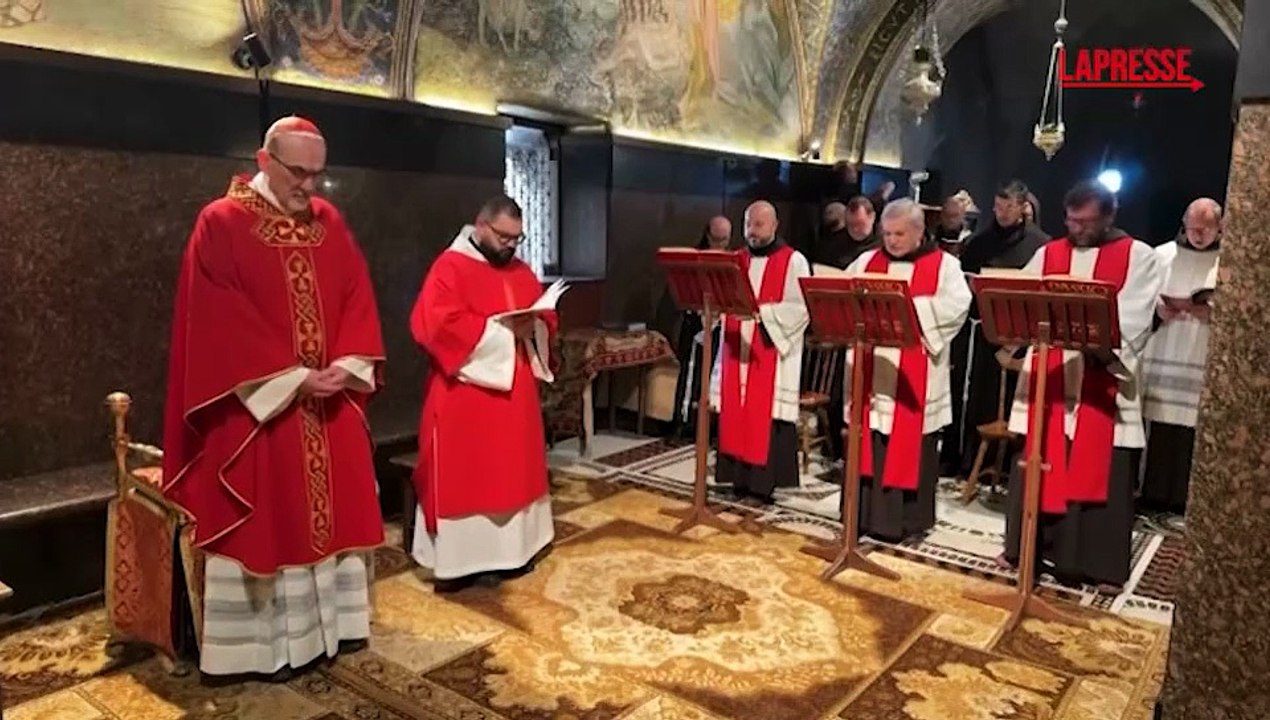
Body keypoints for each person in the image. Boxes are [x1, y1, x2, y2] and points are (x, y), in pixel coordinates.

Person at [161, 115, 386, 679]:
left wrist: (346, 364)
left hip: (326, 406)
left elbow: (357, 291)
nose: (309, 186)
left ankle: (332, 632)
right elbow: (218, 319)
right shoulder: (222, 222)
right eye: (298, 172)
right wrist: (290, 378)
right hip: (259, 410)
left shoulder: (329, 221)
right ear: (264, 160)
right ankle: (259, 652)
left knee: (331, 516)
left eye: (318, 174)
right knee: (266, 519)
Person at [1000, 180, 1164, 591]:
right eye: (1072, 221)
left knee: (1101, 466)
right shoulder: (1049, 253)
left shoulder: (1137, 256)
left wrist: (1088, 337)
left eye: (1087, 222)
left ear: (1110, 216)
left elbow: (1132, 316)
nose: (1077, 230)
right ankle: (1028, 552)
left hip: (1100, 379)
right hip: (1050, 378)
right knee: (1039, 457)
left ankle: (1096, 565)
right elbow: (1023, 298)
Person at [409, 195, 558, 592]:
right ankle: (463, 562)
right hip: (464, 394)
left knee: (514, 470)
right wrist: (504, 334)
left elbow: (544, 318)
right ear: (481, 226)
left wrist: (539, 324)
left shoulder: (522, 270)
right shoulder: (449, 268)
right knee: (470, 475)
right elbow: (436, 325)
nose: (511, 245)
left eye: (518, 238)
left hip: (517, 395)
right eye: (504, 236)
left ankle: (515, 553)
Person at [841, 199, 972, 541]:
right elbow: (841, 296)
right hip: (872, 370)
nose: (892, 241)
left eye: (899, 234)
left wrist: (907, 307)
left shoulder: (944, 265)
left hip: (916, 377)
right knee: (868, 438)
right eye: (887, 233)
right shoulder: (867, 261)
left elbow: (958, 305)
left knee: (911, 444)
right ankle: (863, 516)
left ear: (919, 232)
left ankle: (907, 522)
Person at [710, 200, 810, 502]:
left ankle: (762, 486)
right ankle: (736, 479)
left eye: (759, 225)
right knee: (734, 411)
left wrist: (761, 314)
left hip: (770, 350)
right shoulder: (734, 259)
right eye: (748, 225)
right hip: (736, 349)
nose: (752, 232)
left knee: (764, 417)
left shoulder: (794, 261)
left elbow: (801, 307)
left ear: (775, 225)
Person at [949, 181, 1051, 477]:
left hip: (1018, 332)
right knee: (975, 393)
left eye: (1008, 207)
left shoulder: (1040, 244)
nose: (1002, 212)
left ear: (1022, 207)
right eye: (997, 206)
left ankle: (1006, 464)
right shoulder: (980, 242)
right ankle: (966, 460)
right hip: (980, 330)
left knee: (1007, 400)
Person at [1140, 198, 1222, 514]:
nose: (1199, 235)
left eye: (1206, 229)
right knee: (1159, 430)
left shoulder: (1228, 263)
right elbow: (1142, 299)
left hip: (1200, 353)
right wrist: (1158, 310)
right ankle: (1151, 495)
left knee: (1191, 433)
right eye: (1193, 228)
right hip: (1165, 347)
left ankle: (1184, 501)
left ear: (1220, 227)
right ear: (1183, 223)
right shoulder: (1162, 256)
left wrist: (1213, 313)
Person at [670, 217, 732, 433]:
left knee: (714, 376)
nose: (721, 245)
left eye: (725, 240)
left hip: (720, 325)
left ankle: (710, 426)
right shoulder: (694, 259)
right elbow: (682, 291)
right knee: (691, 373)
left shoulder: (730, 260)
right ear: (708, 235)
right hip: (695, 322)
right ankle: (684, 422)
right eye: (717, 239)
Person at [813, 197, 879, 271]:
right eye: (851, 225)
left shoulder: (886, 241)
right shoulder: (832, 245)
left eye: (860, 224)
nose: (855, 229)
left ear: (872, 217)